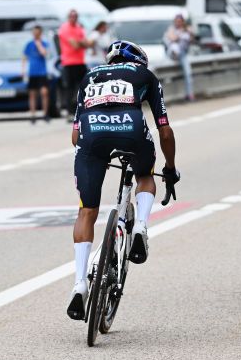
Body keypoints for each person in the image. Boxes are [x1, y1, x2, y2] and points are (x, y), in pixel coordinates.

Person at [67, 40, 180, 320]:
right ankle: (140, 226)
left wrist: (98, 151)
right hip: (131, 129)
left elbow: (74, 136)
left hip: (92, 136)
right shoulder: (145, 75)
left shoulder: (89, 76)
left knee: (86, 211)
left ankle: (80, 283)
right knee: (144, 174)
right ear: (139, 59)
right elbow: (164, 130)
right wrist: (170, 167)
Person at [58, 10, 88, 124]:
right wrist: (81, 43)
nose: (73, 18)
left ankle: (82, 110)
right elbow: (75, 45)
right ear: (68, 17)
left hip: (80, 61)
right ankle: (70, 113)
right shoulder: (65, 28)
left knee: (83, 87)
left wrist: (80, 43)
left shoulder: (78, 28)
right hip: (69, 63)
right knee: (70, 89)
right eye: (71, 16)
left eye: (75, 16)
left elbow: (87, 43)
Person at [22, 25, 51, 124]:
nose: (35, 34)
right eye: (34, 33)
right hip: (32, 72)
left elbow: (44, 53)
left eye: (37, 33)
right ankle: (33, 115)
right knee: (32, 94)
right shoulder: (29, 44)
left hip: (42, 72)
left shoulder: (44, 43)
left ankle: (45, 113)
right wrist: (23, 70)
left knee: (44, 92)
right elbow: (24, 57)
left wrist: (39, 45)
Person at [163, 13, 195, 101]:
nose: (178, 23)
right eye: (177, 21)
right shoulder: (171, 29)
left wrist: (190, 33)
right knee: (174, 47)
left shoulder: (187, 30)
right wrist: (182, 32)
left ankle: (190, 94)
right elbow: (172, 38)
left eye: (180, 21)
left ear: (183, 22)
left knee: (188, 73)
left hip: (183, 54)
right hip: (172, 53)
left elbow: (191, 41)